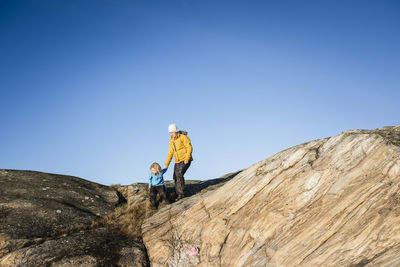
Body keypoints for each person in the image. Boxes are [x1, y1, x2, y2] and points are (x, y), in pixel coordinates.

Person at [165, 123, 193, 201]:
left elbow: (189, 148)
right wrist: (167, 163)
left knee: (179, 174)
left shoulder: (183, 137)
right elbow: (170, 153)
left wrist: (187, 158)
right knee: (175, 177)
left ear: (175, 131)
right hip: (177, 161)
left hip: (185, 159)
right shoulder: (171, 141)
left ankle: (181, 194)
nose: (171, 134)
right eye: (170, 133)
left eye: (172, 132)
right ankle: (178, 194)